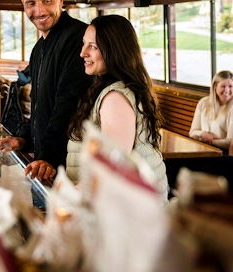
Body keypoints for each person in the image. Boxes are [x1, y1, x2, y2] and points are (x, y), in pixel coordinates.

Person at [0, 0, 92, 182]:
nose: (39, 11)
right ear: (23, 5)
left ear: (60, 0)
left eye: (47, 1)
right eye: (31, 3)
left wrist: (48, 156)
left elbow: (67, 106)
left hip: (69, 166)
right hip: (43, 164)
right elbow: (40, 107)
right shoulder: (38, 48)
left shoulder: (78, 38)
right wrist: (23, 138)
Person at [65, 15, 169, 200]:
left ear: (114, 50)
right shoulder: (113, 88)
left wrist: (70, 196)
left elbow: (112, 166)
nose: (82, 53)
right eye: (84, 44)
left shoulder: (115, 97)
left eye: (93, 47)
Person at [189, 70, 233, 151]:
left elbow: (230, 142)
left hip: (221, 151)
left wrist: (209, 141)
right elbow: (192, 132)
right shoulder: (203, 103)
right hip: (201, 147)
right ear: (215, 87)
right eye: (223, 86)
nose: (226, 90)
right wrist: (202, 133)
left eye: (230, 86)